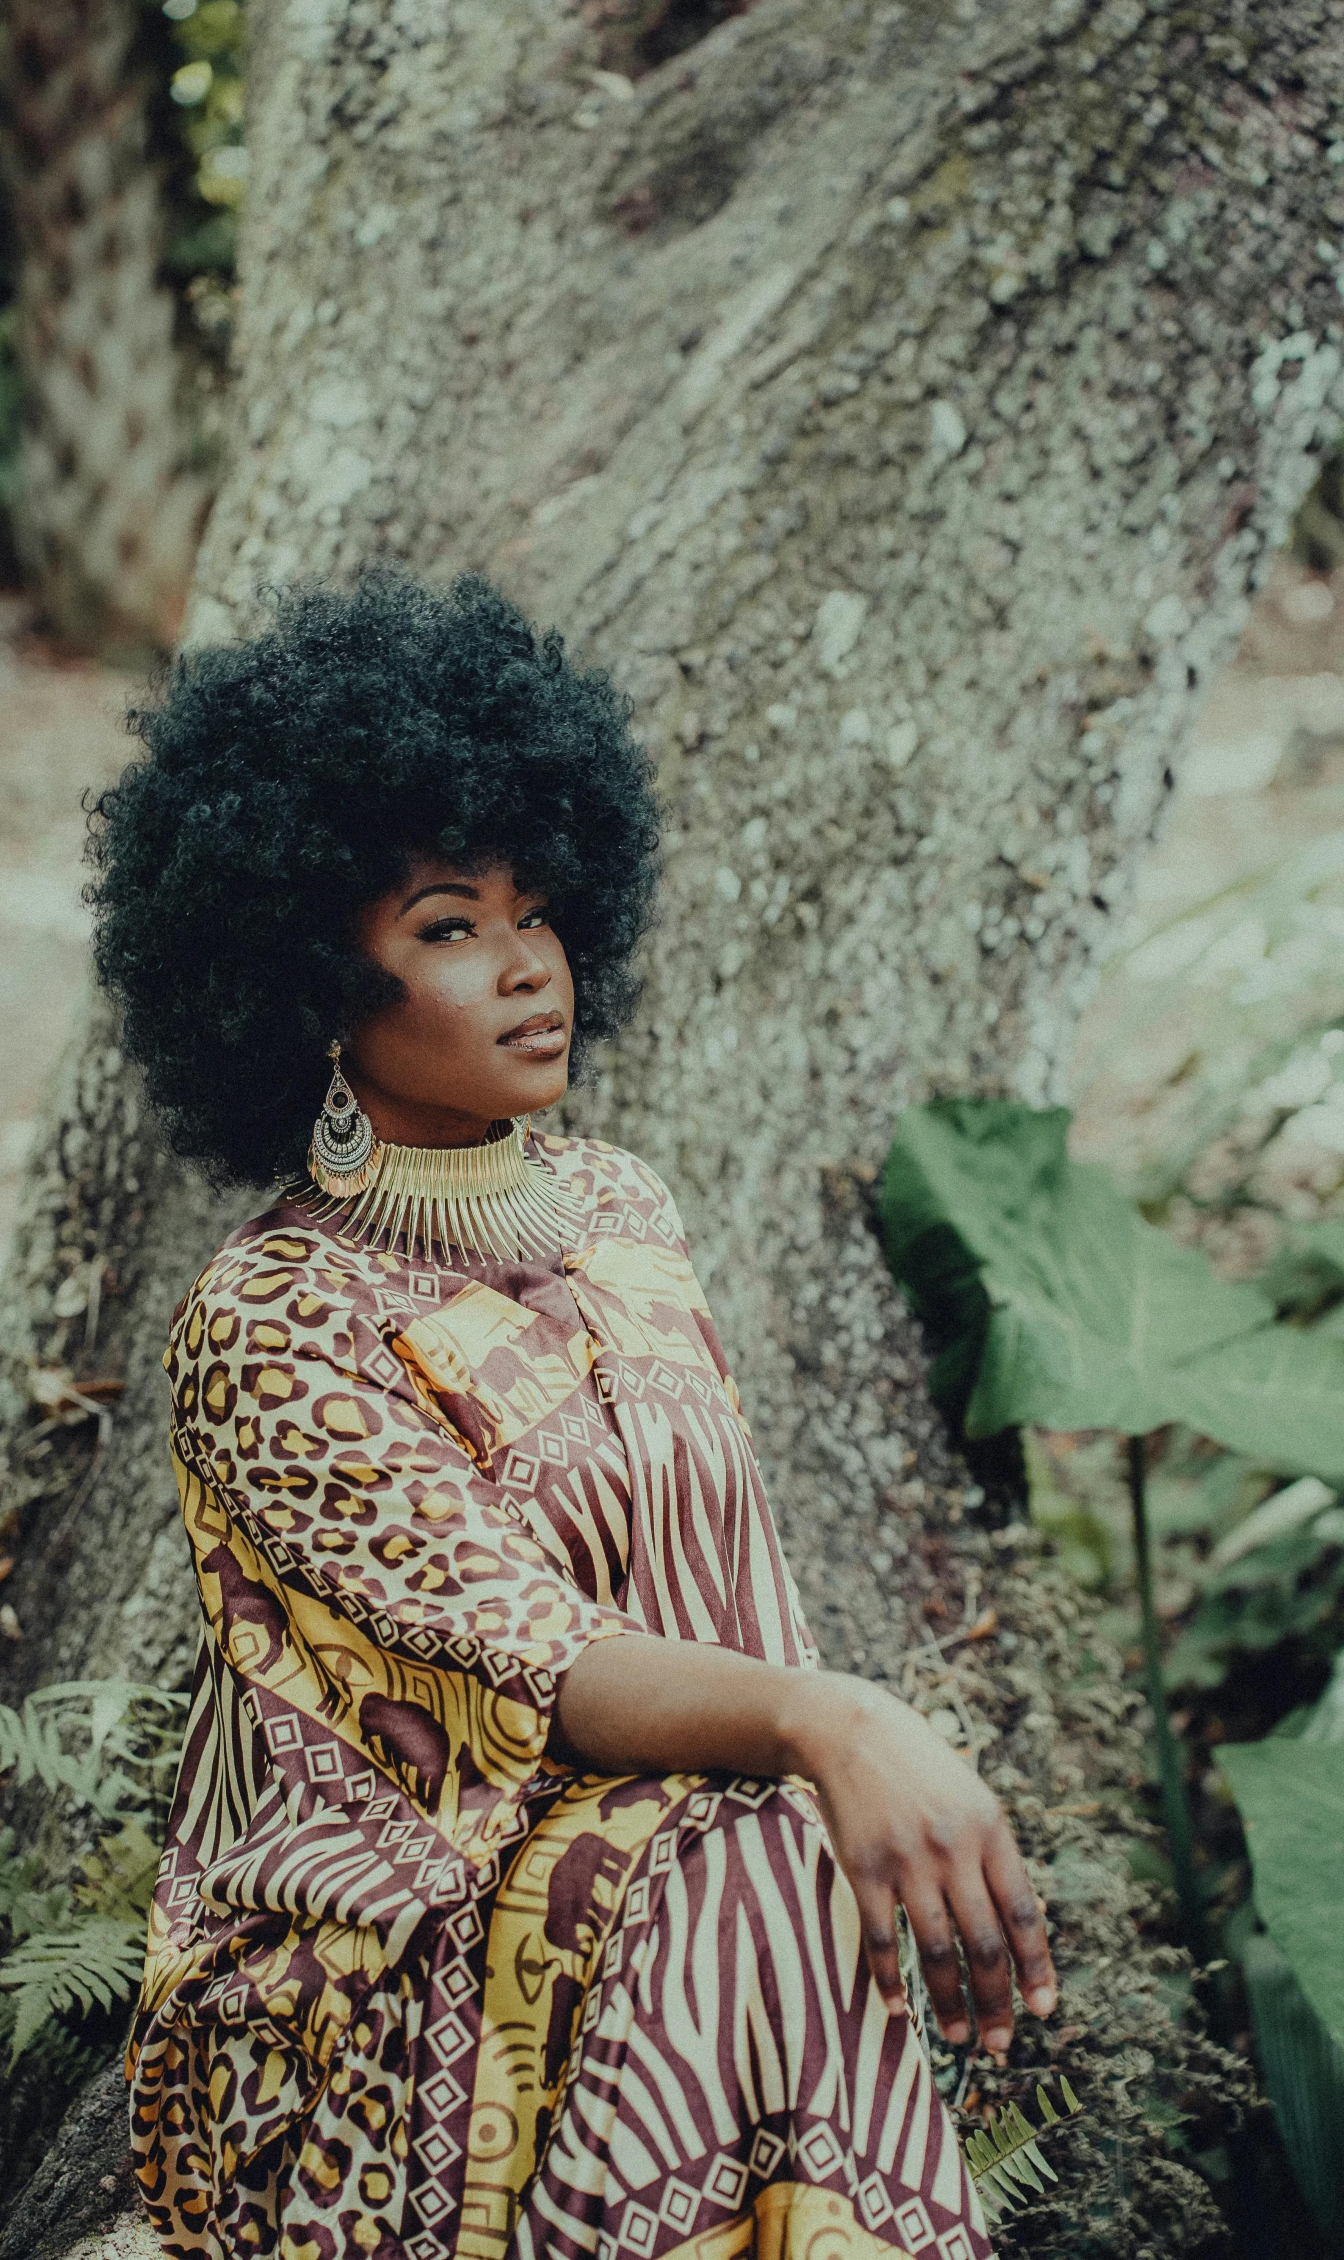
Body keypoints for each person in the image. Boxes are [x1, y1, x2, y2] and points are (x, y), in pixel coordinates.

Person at [90, 571, 1056, 2260]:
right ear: (312, 985)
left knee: (753, 1853)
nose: (528, 966)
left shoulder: (620, 1209)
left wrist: (815, 1745)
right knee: (745, 1857)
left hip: (656, 1882)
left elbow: (718, 1604)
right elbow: (534, 1652)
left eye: (536, 911)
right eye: (448, 926)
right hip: (369, 1973)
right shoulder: (271, 1319)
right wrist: (835, 1722)